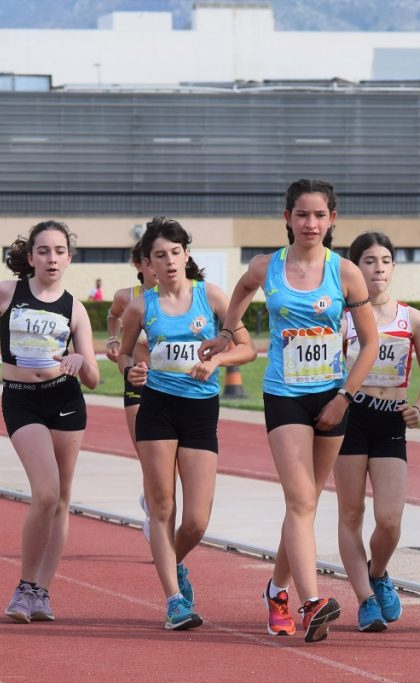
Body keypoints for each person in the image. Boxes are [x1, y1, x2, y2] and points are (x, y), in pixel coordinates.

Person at [199, 179, 378, 643]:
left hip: (333, 398)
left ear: (332, 220)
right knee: (299, 501)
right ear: (287, 217)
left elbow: (370, 342)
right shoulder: (267, 266)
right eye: (302, 214)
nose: (311, 223)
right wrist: (228, 330)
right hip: (284, 395)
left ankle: (276, 589)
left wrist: (345, 397)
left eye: (319, 215)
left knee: (307, 504)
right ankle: (311, 600)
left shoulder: (346, 273)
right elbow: (240, 290)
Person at [118, 216, 256, 631]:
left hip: (200, 412)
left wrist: (216, 359)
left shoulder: (211, 297)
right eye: (160, 255)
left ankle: (173, 562)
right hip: (157, 409)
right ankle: (174, 600)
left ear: (187, 255)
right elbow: (124, 355)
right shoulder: (141, 306)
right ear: (148, 264)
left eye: (176, 252)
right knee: (162, 508)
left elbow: (247, 349)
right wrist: (131, 372)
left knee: (196, 519)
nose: (170, 260)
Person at [0, 220, 100, 623]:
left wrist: (79, 361)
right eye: (44, 251)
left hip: (65, 400)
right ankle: (24, 586)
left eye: (59, 251)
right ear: (30, 257)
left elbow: (92, 377)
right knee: (45, 492)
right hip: (22, 401)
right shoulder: (8, 292)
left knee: (60, 499)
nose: (51, 258)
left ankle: (42, 590)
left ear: (69, 258)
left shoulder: (74, 308)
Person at [335, 231, 420, 632]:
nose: (378, 268)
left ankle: (378, 573)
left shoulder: (413, 318)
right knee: (352, 513)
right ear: (355, 267)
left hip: (391, 420)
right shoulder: (342, 317)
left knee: (389, 519)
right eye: (370, 261)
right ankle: (364, 599)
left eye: (385, 260)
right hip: (350, 418)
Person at [105, 241, 159, 541]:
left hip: (173, 385)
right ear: (139, 265)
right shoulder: (127, 297)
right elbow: (113, 317)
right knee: (149, 456)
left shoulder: (184, 295)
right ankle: (155, 512)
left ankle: (156, 504)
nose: (158, 267)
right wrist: (114, 341)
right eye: (150, 261)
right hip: (138, 381)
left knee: (168, 462)